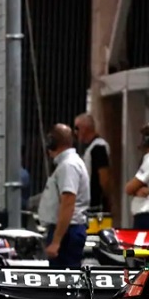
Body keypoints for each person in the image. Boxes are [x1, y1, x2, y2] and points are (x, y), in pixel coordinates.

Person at [37, 123, 91, 268]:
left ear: (52, 142)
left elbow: (68, 202)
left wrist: (56, 241)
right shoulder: (69, 163)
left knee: (63, 282)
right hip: (67, 230)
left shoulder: (68, 165)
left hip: (67, 232)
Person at [75, 113, 112, 215]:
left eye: (77, 128)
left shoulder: (98, 147)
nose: (75, 132)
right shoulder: (89, 148)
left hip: (95, 205)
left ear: (85, 128)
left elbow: (104, 177)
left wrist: (107, 199)